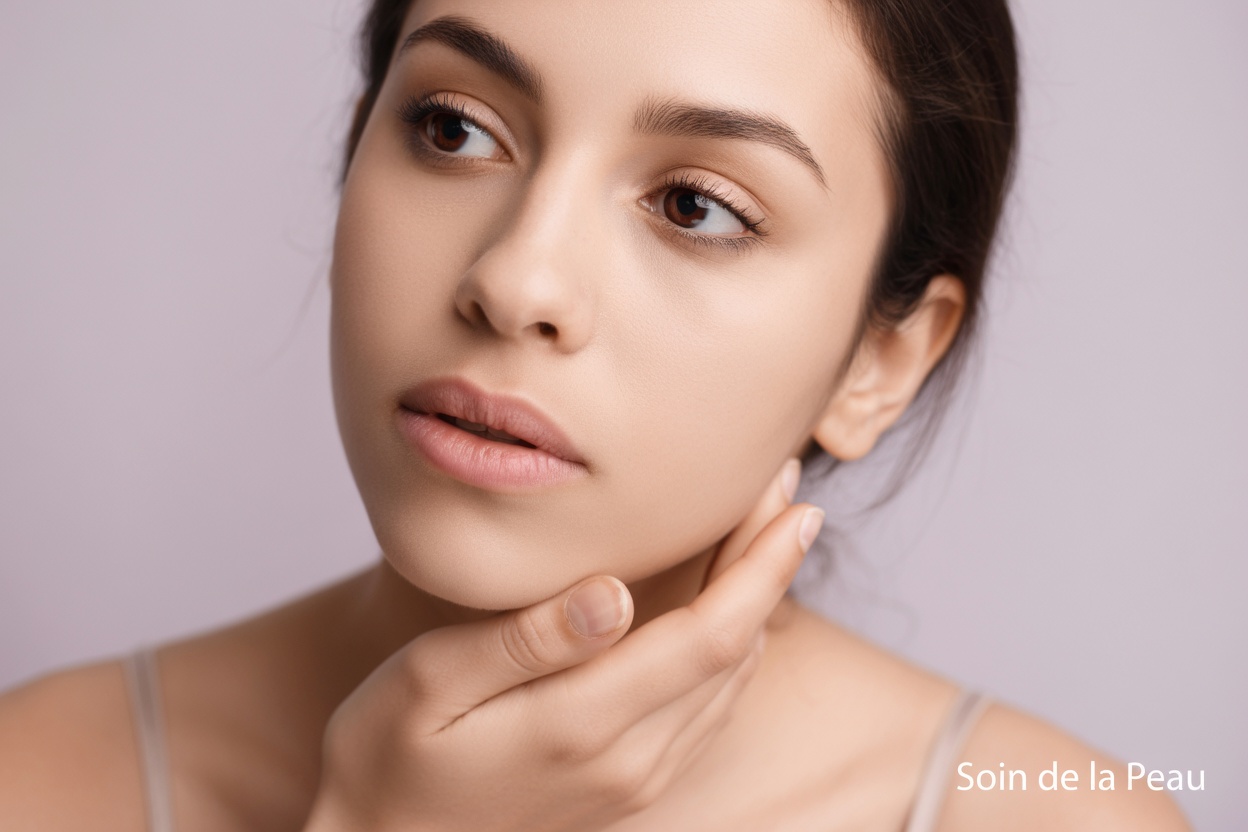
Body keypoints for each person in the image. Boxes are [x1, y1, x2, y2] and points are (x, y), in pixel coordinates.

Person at [0, 1, 1195, 830]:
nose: (515, 279)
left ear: (881, 362)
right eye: (454, 128)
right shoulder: (42, 780)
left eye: (695, 205)